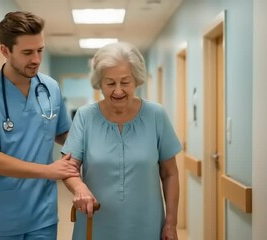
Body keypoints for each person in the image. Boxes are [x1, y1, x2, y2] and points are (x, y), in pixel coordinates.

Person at [0, 11, 79, 240]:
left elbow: (65, 133)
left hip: (42, 217)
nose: (36, 59)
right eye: (27, 52)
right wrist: (48, 171)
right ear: (5, 50)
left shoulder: (50, 88)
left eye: (40, 50)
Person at [62, 42, 181, 240]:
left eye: (125, 82)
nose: (118, 91)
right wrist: (79, 188)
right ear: (99, 83)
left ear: (137, 80)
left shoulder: (156, 116)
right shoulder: (85, 116)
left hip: (147, 223)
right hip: (95, 221)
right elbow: (69, 167)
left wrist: (171, 223)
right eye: (110, 83)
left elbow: (170, 174)